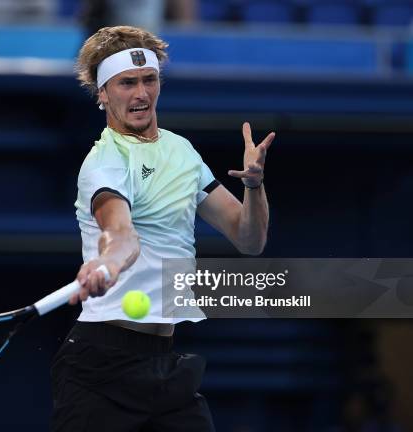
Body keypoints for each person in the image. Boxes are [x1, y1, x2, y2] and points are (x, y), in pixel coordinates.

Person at [50, 25, 274, 431]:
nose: (141, 94)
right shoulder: (104, 163)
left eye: (149, 80)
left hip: (164, 363)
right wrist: (108, 264)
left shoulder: (182, 152)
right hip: (100, 367)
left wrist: (254, 187)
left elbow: (249, 240)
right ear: (102, 93)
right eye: (127, 83)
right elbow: (120, 234)